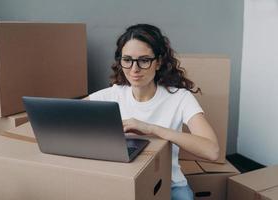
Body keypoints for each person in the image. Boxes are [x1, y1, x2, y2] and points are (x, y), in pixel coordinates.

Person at [85, 24, 219, 200]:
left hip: (168, 185)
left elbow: (212, 151)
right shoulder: (113, 94)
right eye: (127, 60)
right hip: (123, 184)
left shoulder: (179, 98)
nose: (134, 69)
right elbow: (67, 114)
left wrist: (151, 129)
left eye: (144, 60)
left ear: (158, 62)